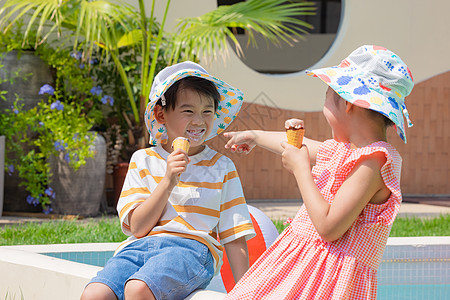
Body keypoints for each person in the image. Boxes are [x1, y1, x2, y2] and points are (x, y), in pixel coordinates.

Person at [223, 45, 414, 299]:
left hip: (329, 283)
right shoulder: (345, 151)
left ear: (347, 102)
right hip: (305, 271)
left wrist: (301, 169)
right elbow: (299, 146)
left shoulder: (374, 162)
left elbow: (328, 226)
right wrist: (255, 136)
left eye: (326, 96)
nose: (324, 105)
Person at [81, 61, 255, 300]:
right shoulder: (143, 160)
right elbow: (138, 228)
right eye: (188, 111)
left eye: (207, 111)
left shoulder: (221, 167)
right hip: (137, 249)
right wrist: (167, 181)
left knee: (138, 288)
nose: (199, 121)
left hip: (191, 250)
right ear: (161, 114)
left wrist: (246, 292)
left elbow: (234, 236)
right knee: (95, 294)